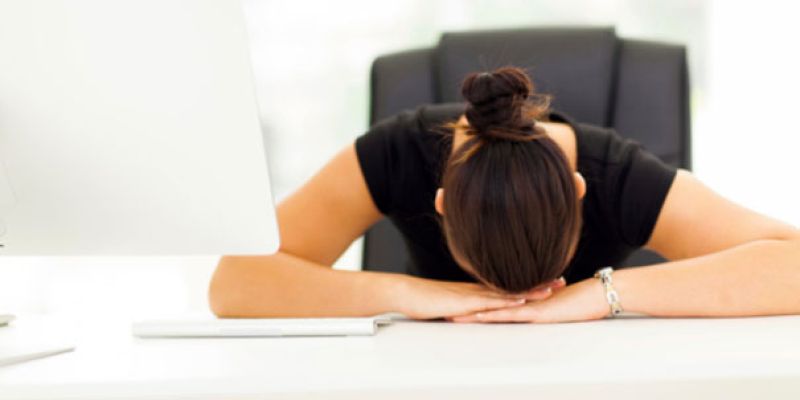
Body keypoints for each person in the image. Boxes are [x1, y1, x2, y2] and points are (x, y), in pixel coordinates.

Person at [209, 66, 800, 323]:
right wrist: (409, 294)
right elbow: (234, 280)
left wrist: (598, 296)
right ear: (441, 203)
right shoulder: (398, 154)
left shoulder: (619, 176)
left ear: (579, 190)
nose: (518, 303)